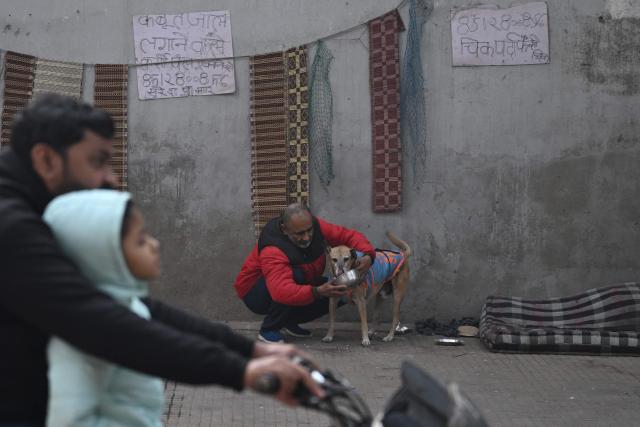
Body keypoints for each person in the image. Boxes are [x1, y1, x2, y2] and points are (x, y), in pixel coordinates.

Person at [0, 94, 322, 427]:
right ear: (46, 160)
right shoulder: (11, 227)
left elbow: (131, 307)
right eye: (97, 162)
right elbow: (99, 322)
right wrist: (241, 371)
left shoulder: (39, 214)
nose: (110, 178)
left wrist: (251, 352)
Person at [43, 190, 165, 426]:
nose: (154, 245)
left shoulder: (129, 305)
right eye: (140, 240)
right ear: (107, 256)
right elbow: (68, 419)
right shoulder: (88, 326)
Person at [234, 203, 377, 343]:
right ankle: (269, 329)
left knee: (339, 287)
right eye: (300, 233)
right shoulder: (273, 249)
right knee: (298, 277)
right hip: (255, 292)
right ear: (285, 229)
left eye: (309, 230)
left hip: (295, 281)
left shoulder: (317, 227)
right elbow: (280, 291)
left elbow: (347, 235)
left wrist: (368, 255)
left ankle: (287, 321)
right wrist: (318, 291)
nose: (307, 237)